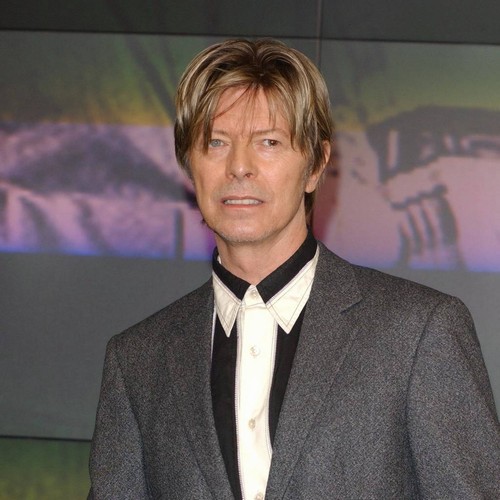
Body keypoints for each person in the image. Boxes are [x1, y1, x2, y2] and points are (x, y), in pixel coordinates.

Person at [88, 38, 500, 499]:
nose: (239, 167)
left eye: (269, 142)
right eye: (216, 142)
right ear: (189, 165)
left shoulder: (419, 334)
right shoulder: (137, 361)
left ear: (316, 165)